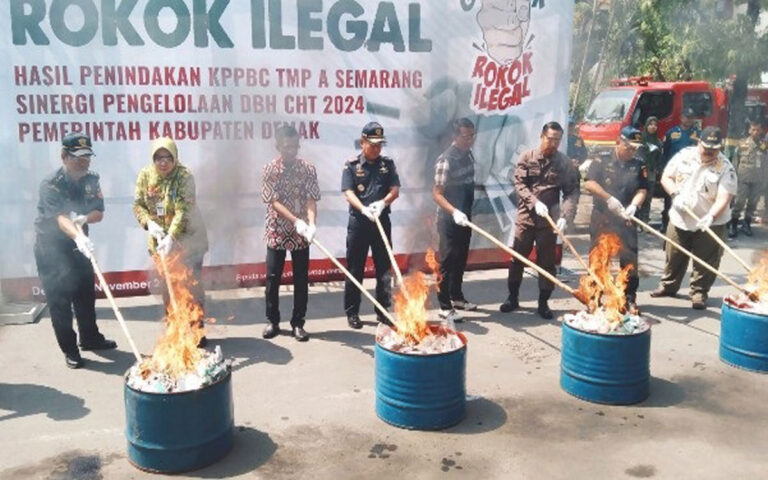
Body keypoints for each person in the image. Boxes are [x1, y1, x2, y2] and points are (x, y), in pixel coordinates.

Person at [33, 132, 116, 369]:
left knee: (85, 295)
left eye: (87, 157)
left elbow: (98, 213)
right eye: (78, 157)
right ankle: (70, 349)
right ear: (64, 156)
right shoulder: (50, 185)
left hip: (79, 248)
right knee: (60, 302)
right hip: (52, 249)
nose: (84, 162)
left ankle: (90, 338)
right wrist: (78, 234)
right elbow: (60, 219)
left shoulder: (91, 180)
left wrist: (83, 218)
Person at [500, 121, 580, 319]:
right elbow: (519, 184)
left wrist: (565, 217)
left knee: (547, 264)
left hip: (548, 225)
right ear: (542, 136)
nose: (553, 143)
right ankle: (512, 298)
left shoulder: (564, 163)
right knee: (517, 259)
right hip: (526, 219)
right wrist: (534, 202)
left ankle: (543, 303)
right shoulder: (527, 157)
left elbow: (571, 192)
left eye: (557, 140)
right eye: (550, 139)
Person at [133, 137, 209, 344]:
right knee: (168, 287)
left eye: (168, 157)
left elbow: (184, 210)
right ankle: (174, 330)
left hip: (189, 241)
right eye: (158, 158)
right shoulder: (145, 175)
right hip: (160, 242)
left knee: (191, 287)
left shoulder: (184, 176)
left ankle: (196, 332)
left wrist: (172, 237)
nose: (163, 162)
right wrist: (149, 223)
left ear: (175, 157)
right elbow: (138, 205)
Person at [651, 126, 737, 310]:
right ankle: (668, 286)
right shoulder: (684, 155)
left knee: (706, 260)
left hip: (710, 222)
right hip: (680, 217)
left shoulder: (726, 168)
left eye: (714, 150)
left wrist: (711, 216)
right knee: (674, 255)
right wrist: (675, 194)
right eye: (706, 148)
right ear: (699, 143)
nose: (710, 153)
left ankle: (699, 292)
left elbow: (724, 197)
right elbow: (667, 177)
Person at [261, 125, 321, 341]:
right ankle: (272, 321)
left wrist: (311, 224)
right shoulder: (270, 169)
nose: (291, 151)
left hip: (301, 234)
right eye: (286, 147)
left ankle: (298, 323)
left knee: (301, 278)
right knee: (273, 277)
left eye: (294, 147)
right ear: (278, 146)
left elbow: (311, 198)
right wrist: (296, 220)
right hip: (277, 229)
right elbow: (273, 201)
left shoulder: (307, 169)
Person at [341, 122, 400, 329]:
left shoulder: (387, 164)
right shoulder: (352, 165)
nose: (376, 148)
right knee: (355, 268)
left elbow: (395, 189)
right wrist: (363, 209)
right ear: (362, 142)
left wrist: (384, 203)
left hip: (381, 221)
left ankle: (383, 310)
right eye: (372, 144)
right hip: (359, 223)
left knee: (384, 268)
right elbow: (348, 192)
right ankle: (352, 312)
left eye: (379, 145)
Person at [584, 126, 648, 314]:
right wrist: (608, 199)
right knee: (598, 258)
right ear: (619, 142)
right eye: (629, 147)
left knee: (629, 260)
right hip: (603, 217)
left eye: (635, 148)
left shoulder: (639, 164)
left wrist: (634, 206)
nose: (632, 152)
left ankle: (629, 298)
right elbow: (589, 183)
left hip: (626, 219)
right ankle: (594, 297)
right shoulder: (601, 159)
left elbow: (642, 189)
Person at [432, 118, 477, 323]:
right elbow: (437, 194)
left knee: (460, 259)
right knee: (447, 262)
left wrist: (464, 213)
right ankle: (444, 306)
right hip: (449, 220)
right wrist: (454, 212)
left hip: (465, 217)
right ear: (455, 136)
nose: (470, 140)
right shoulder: (445, 160)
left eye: (472, 136)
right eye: (465, 136)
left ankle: (457, 298)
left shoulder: (468, 156)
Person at [659, 108, 701, 231]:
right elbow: (665, 153)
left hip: (691, 173)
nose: (689, 120)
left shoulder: (698, 134)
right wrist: (663, 170)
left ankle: (686, 225)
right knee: (669, 199)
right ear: (681, 117)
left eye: (691, 117)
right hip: (673, 173)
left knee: (689, 199)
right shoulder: (671, 133)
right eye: (686, 117)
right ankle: (666, 223)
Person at [728, 120, 767, 238]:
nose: (755, 132)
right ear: (749, 130)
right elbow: (735, 162)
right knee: (739, 202)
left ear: (761, 131)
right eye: (753, 129)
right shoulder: (741, 144)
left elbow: (766, 162)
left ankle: (747, 223)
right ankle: (733, 224)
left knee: (752, 204)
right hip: (743, 178)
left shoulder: (763, 145)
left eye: (758, 130)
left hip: (757, 179)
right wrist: (733, 177)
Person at [637, 116, 663, 223]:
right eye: (651, 124)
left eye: (655, 125)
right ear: (646, 125)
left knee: (648, 197)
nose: (653, 127)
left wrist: (658, 170)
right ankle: (636, 221)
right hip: (639, 171)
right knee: (638, 196)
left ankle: (645, 221)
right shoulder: (640, 138)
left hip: (651, 172)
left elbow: (659, 158)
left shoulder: (658, 142)